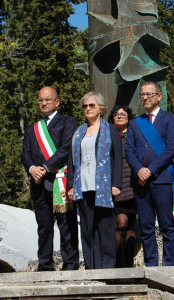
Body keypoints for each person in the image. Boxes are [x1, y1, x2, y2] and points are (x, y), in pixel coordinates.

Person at [21, 86, 79, 271]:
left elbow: (66, 149)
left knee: (66, 226)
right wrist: (32, 169)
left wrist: (45, 168)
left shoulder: (68, 123)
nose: (43, 103)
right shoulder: (32, 129)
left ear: (57, 102)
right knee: (43, 227)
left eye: (47, 100)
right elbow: (26, 153)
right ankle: (45, 265)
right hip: (38, 184)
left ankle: (70, 264)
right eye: (40, 100)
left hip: (60, 182)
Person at [125, 81, 174, 266]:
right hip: (140, 182)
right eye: (142, 94)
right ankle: (151, 266)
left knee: (167, 226)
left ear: (159, 96)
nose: (145, 98)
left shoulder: (170, 119)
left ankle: (169, 265)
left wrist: (151, 170)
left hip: (162, 180)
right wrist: (139, 169)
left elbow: (171, 149)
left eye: (149, 94)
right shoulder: (135, 123)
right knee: (146, 227)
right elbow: (129, 151)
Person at [67, 91, 122, 269]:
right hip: (83, 186)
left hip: (104, 188)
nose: (88, 108)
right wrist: (70, 186)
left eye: (92, 105)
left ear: (101, 108)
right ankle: (91, 268)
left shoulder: (111, 129)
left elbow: (118, 158)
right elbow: (71, 160)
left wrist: (116, 183)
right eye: (85, 106)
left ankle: (107, 268)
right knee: (87, 229)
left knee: (105, 229)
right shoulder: (79, 132)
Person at [108, 105, 137, 268]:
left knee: (131, 227)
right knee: (121, 224)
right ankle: (118, 265)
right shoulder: (108, 136)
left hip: (133, 185)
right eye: (116, 114)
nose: (119, 116)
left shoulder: (134, 136)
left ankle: (129, 265)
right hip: (116, 185)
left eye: (123, 114)